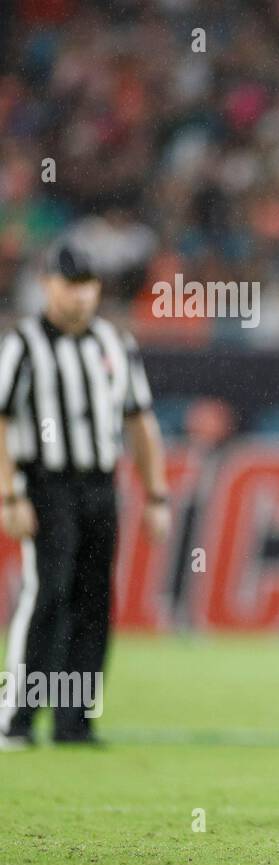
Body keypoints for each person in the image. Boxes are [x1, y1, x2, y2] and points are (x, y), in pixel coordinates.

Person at [0, 242, 170, 749]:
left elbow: (140, 421)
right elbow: (1, 421)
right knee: (48, 593)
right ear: (48, 284)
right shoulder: (24, 344)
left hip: (100, 484)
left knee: (94, 599)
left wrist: (156, 495)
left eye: (88, 285)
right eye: (70, 284)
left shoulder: (115, 344)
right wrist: (9, 494)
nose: (79, 296)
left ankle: (76, 720)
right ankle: (19, 717)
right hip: (47, 484)